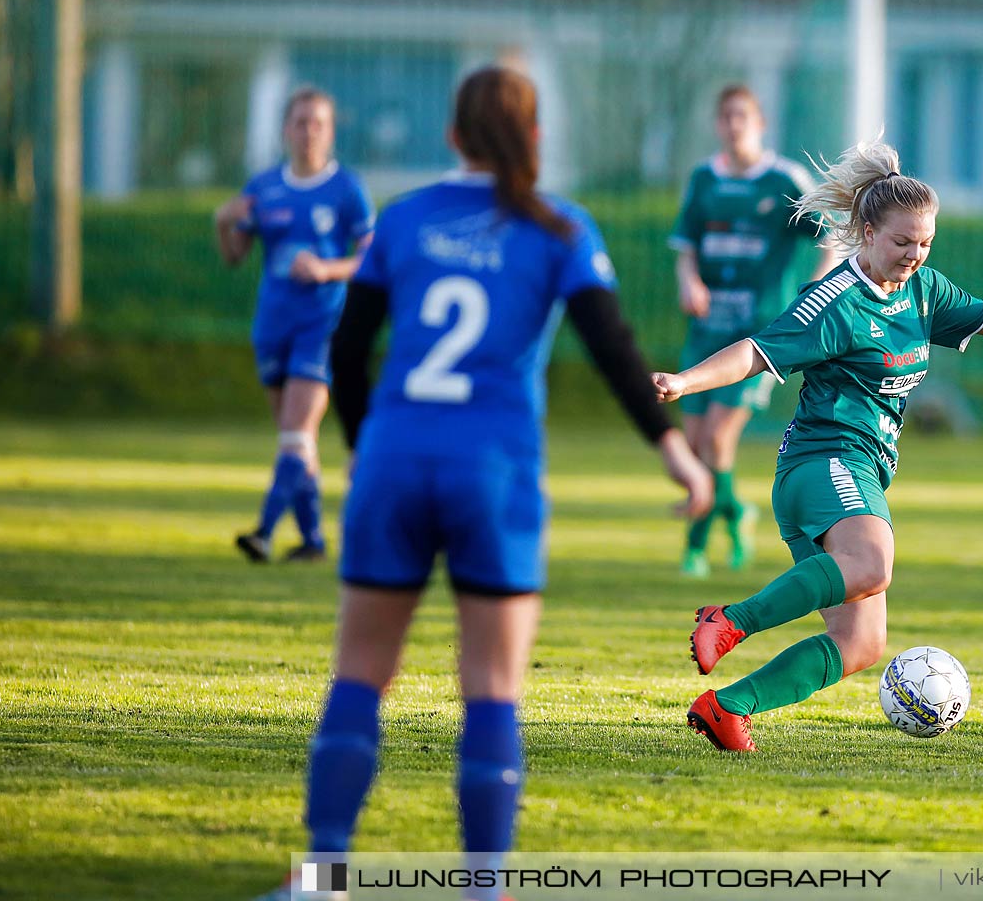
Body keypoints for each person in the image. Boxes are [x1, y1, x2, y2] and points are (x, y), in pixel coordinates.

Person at [258, 66, 711, 900]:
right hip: (494, 472)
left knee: (361, 669)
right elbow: (612, 346)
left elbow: (348, 351)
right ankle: (482, 887)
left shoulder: (401, 221)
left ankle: (321, 878)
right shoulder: (559, 229)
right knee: (492, 687)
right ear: (535, 140)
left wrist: (370, 448)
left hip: (395, 460)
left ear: (452, 137)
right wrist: (675, 451)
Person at [652, 140, 983, 752]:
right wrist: (684, 380)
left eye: (925, 243)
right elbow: (757, 351)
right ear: (865, 231)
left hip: (857, 472)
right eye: (902, 242)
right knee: (874, 563)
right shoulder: (836, 302)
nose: (915, 254)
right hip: (824, 461)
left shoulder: (923, 291)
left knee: (861, 644)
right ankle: (730, 621)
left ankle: (727, 708)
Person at [668, 84, 838, 577]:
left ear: (760, 124)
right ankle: (735, 512)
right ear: (717, 124)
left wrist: (816, 281)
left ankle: (695, 549)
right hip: (706, 329)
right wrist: (690, 281)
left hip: (761, 336)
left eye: (743, 116)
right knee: (696, 443)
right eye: (725, 116)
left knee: (718, 441)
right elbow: (685, 246)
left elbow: (832, 236)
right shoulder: (704, 177)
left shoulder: (783, 178)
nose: (734, 124)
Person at [216, 86, 374, 564]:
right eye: (301, 122)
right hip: (273, 325)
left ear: (330, 132)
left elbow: (370, 259)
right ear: (286, 129)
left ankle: (263, 531)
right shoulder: (263, 188)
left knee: (296, 430)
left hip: (323, 323)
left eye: (318, 123)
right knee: (295, 439)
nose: (309, 131)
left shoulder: (346, 189)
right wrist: (222, 224)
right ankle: (312, 541)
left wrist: (328, 270)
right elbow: (234, 258)